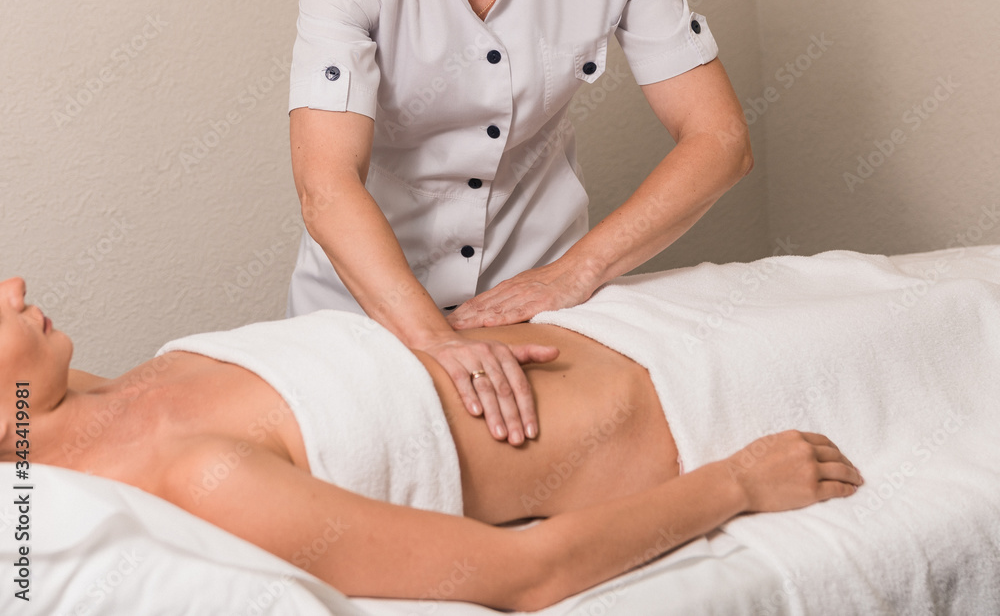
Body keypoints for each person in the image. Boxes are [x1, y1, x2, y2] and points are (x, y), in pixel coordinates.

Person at [0, 276, 860, 611]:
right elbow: (525, 574)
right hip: (698, 409)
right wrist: (739, 484)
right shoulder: (199, 479)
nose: (14, 284)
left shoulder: (97, 396)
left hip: (637, 320)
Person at [285, 0, 755, 446]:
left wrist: (577, 270)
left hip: (534, 302)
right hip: (366, 306)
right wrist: (432, 338)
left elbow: (720, 139)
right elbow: (326, 184)